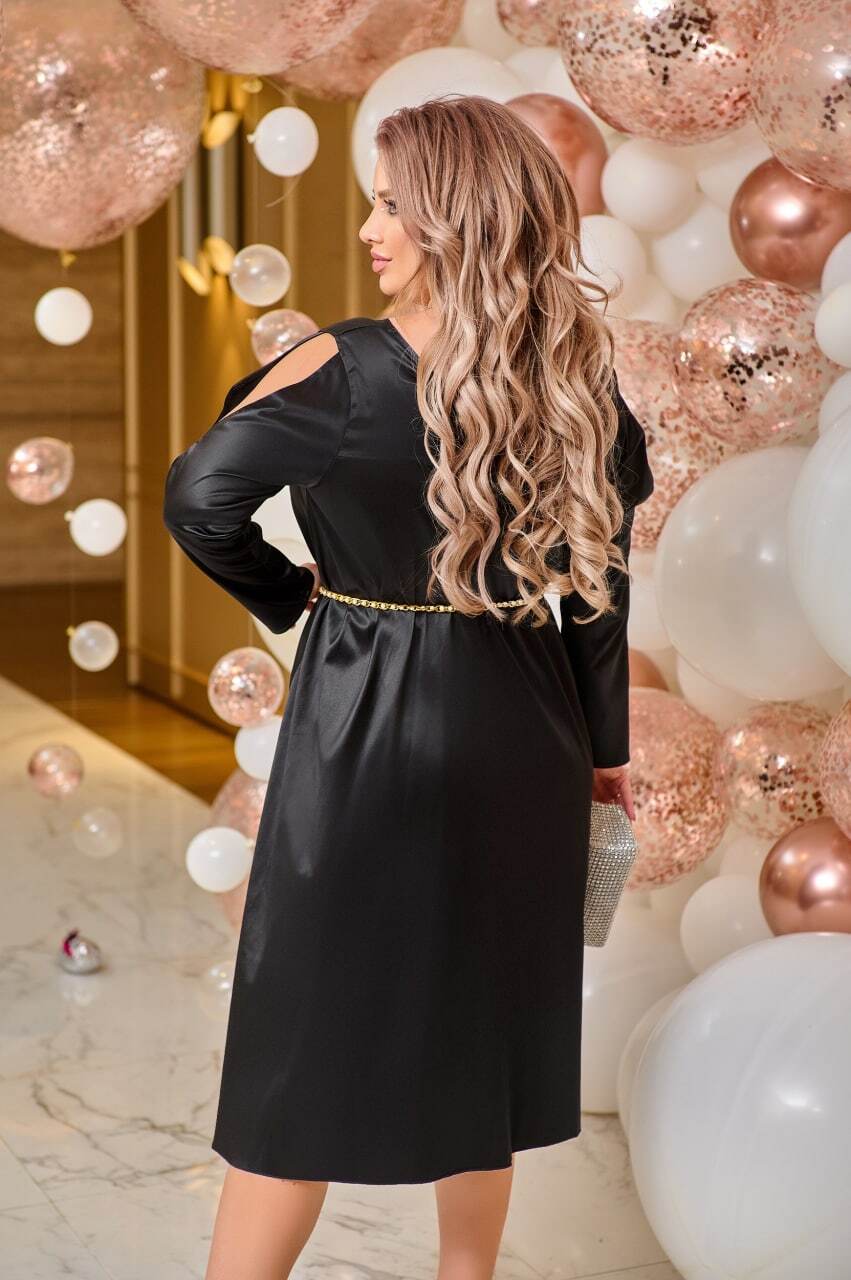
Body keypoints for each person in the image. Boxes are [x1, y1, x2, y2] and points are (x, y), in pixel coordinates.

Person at [163, 94, 654, 1280]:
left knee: (297, 1046)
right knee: (480, 1038)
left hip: (364, 727)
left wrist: (293, 593)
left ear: (451, 218)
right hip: (525, 731)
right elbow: (597, 592)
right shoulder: (572, 376)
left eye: (391, 205)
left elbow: (198, 499)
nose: (369, 228)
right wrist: (601, 751)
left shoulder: (340, 366)